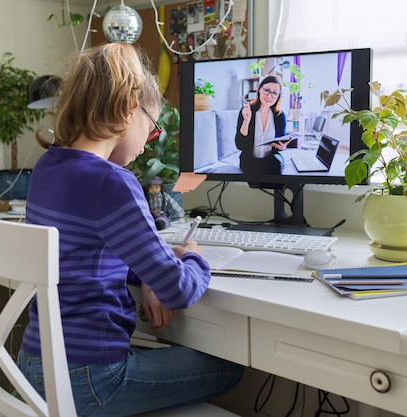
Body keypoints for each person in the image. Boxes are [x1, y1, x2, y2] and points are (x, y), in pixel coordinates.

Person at [18, 43, 244, 417]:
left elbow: (89, 251)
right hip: (91, 380)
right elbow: (180, 289)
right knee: (230, 367)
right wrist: (193, 258)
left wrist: (149, 273)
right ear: (128, 110)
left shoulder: (48, 167)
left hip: (33, 369)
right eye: (152, 128)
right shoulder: (112, 182)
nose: (148, 142)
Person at [235, 75, 291, 175]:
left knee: (276, 166)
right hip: (249, 160)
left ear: (278, 95)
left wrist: (282, 147)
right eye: (266, 90)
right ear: (260, 89)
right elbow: (240, 145)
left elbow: (280, 144)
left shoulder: (280, 116)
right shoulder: (246, 111)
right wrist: (246, 121)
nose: (269, 96)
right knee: (256, 170)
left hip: (271, 160)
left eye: (274, 93)